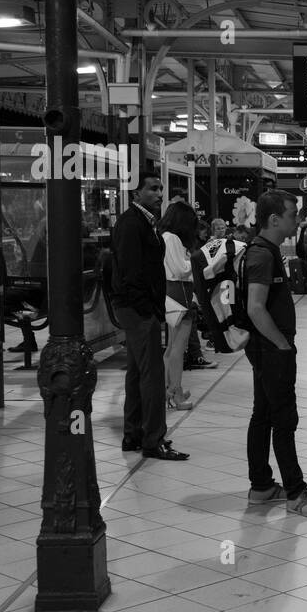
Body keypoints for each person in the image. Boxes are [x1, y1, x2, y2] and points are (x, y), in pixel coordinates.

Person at [244, 190, 307, 518]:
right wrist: (282, 344)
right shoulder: (263, 256)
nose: (297, 220)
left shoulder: (262, 250)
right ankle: (296, 493)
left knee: (263, 414)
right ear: (274, 219)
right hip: (271, 350)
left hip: (263, 349)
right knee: (284, 419)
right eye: (292, 215)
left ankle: (261, 487)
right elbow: (255, 308)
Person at [110, 174, 188, 461]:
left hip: (137, 308)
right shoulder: (132, 223)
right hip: (137, 309)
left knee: (137, 371)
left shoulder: (144, 222)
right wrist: (148, 309)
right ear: (137, 191)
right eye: (153, 189)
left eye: (161, 189)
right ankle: (154, 439)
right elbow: (131, 272)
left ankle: (133, 434)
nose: (159, 194)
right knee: (153, 375)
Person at [160, 201, 198, 410]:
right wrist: (197, 260)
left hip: (172, 295)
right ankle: (176, 393)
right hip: (179, 295)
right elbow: (181, 270)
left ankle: (169, 390)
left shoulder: (164, 237)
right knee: (177, 349)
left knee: (171, 348)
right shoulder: (173, 238)